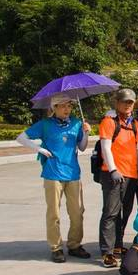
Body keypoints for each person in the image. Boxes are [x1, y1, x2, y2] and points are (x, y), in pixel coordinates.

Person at [16, 94, 91, 263]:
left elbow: (82, 147)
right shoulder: (45, 125)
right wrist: (40, 150)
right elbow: (21, 138)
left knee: (77, 213)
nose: (67, 109)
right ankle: (56, 248)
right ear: (54, 108)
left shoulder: (77, 123)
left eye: (69, 105)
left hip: (73, 174)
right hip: (52, 174)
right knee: (54, 213)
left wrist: (86, 134)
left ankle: (74, 245)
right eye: (62, 106)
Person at [98, 88, 138, 268]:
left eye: (130, 102)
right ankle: (106, 252)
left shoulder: (134, 124)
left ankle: (117, 245)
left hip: (131, 175)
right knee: (110, 212)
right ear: (117, 103)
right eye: (124, 101)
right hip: (113, 175)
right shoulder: (109, 122)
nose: (128, 105)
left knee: (125, 212)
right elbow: (105, 147)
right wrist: (113, 169)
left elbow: (137, 148)